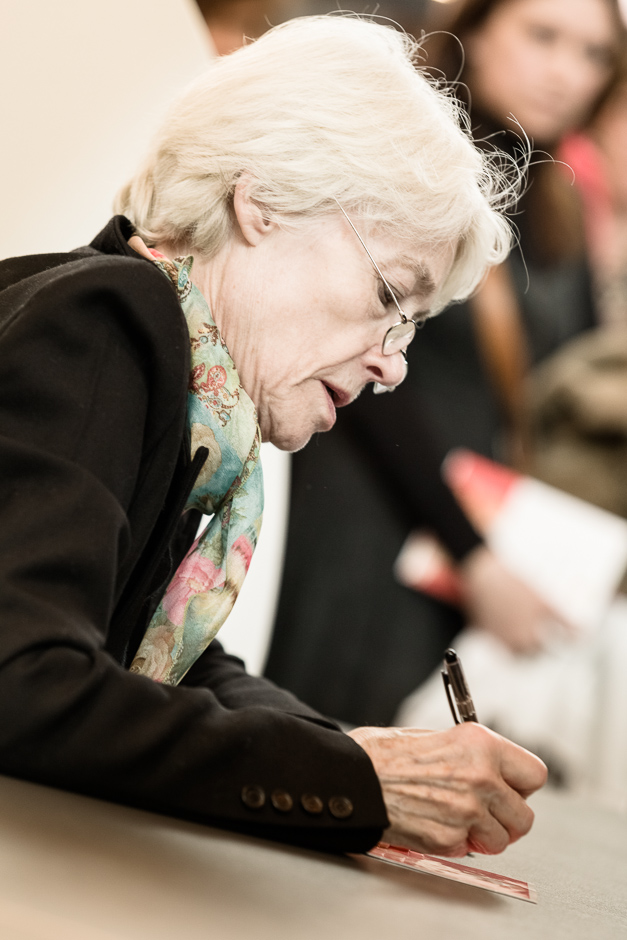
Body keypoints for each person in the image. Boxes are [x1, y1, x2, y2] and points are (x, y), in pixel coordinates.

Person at [0, 16, 546, 857]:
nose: (393, 365)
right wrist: (355, 779)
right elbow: (24, 681)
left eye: (410, 326)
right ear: (261, 203)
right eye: (389, 296)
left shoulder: (171, 376)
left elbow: (178, 656)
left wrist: (369, 763)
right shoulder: (108, 320)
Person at [264, 0, 626, 727]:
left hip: (466, 546)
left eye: (592, 54)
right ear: (477, 31)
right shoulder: (413, 160)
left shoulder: (554, 199)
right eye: (542, 36)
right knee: (314, 740)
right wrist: (473, 555)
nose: (565, 72)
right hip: (370, 517)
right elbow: (367, 364)